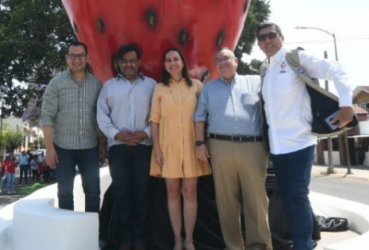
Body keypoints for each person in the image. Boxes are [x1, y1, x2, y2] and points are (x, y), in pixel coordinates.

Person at [256, 23, 354, 250]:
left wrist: (346, 104)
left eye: (271, 35)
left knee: (297, 196)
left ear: (281, 36)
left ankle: (303, 246)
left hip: (300, 142)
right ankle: (302, 242)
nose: (267, 41)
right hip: (277, 147)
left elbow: (336, 69)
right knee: (288, 199)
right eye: (262, 38)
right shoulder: (265, 68)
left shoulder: (295, 58)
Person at [194, 46, 271, 250]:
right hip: (219, 147)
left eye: (226, 58)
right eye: (218, 60)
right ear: (215, 65)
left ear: (236, 60)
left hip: (253, 147)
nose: (223, 62)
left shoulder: (255, 82)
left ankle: (259, 246)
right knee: (226, 202)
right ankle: (233, 247)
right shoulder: (209, 88)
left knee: (256, 200)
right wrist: (200, 143)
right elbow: (199, 117)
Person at [97, 44, 157, 250]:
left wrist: (145, 133)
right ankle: (124, 240)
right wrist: (117, 135)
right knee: (122, 194)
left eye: (132, 60)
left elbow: (158, 114)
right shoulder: (108, 87)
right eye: (124, 61)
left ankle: (140, 240)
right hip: (118, 149)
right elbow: (101, 116)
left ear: (139, 62)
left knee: (141, 193)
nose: (128, 64)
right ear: (118, 63)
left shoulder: (152, 85)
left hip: (144, 148)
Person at [150, 48, 211, 250]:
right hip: (168, 147)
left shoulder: (196, 86)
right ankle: (177, 239)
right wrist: (157, 148)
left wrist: (204, 144)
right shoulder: (159, 88)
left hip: (193, 147)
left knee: (190, 192)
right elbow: (154, 121)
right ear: (164, 65)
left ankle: (189, 240)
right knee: (173, 192)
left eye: (176, 59)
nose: (172, 63)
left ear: (183, 62)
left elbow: (205, 116)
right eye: (168, 60)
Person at [41, 41, 103, 213]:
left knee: (93, 193)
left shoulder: (97, 84)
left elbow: (102, 116)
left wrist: (103, 144)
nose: (77, 60)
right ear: (67, 58)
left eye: (81, 55)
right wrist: (49, 148)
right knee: (65, 193)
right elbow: (47, 116)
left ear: (87, 58)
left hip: (90, 147)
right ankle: (68, 234)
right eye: (73, 56)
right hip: (63, 148)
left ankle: (92, 234)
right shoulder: (56, 83)